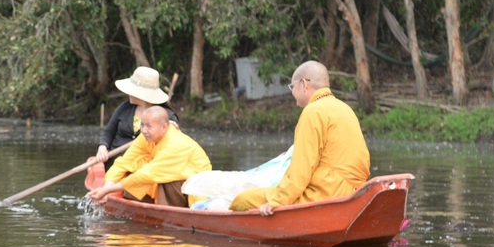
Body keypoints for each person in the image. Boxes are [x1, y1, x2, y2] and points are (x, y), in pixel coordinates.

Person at [229, 60, 370, 215]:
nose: (291, 92)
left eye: (292, 86)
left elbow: (300, 171)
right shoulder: (345, 108)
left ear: (304, 84)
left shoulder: (313, 112)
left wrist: (277, 202)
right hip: (356, 192)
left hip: (329, 193)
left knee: (243, 199)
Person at [87, 105, 211, 207]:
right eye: (142, 125)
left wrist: (108, 191)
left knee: (155, 177)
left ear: (164, 127)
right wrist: (107, 186)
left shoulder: (175, 144)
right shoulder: (145, 137)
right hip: (160, 175)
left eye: (149, 126)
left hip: (193, 187)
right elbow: (124, 162)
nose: (144, 130)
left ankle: (168, 212)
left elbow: (148, 174)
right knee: (136, 164)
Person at [96, 67, 179, 170]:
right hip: (115, 165)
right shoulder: (124, 108)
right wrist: (102, 147)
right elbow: (108, 132)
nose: (128, 93)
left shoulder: (167, 117)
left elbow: (172, 145)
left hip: (144, 169)